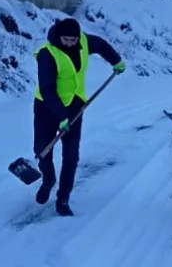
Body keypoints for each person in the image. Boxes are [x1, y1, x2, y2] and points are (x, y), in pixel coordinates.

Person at [33, 18, 125, 216]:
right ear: (59, 36)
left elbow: (100, 44)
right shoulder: (47, 54)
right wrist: (61, 116)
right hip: (47, 108)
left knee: (71, 155)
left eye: (73, 40)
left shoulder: (83, 42)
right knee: (42, 150)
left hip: (74, 104)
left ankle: (63, 199)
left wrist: (116, 61)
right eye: (66, 40)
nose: (70, 44)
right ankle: (48, 179)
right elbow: (47, 90)